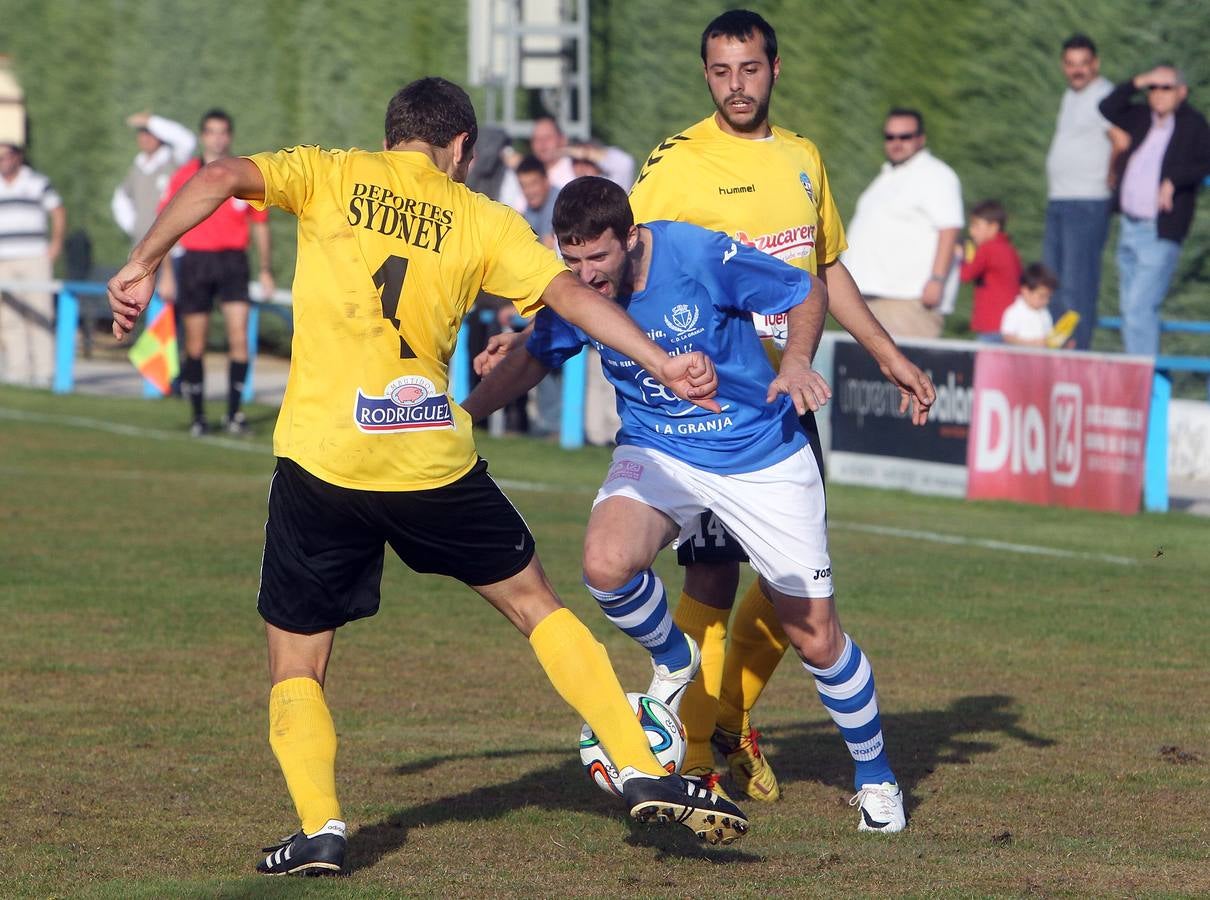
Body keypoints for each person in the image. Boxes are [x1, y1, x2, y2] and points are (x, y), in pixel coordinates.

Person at [106, 77, 748, 876]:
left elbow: (214, 177)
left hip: (322, 463)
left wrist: (140, 264)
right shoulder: (482, 217)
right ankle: (643, 766)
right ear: (463, 149)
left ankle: (321, 829)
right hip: (431, 461)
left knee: (297, 659)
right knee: (534, 606)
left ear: (392, 135)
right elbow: (572, 300)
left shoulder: (328, 173)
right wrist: (660, 359)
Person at [480, 10, 934, 829]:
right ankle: (688, 713)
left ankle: (872, 779)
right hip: (663, 441)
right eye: (721, 70)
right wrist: (463, 412)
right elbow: (553, 331)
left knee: (812, 628)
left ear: (774, 68)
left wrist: (820, 359)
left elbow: (815, 276)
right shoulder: (668, 175)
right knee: (620, 566)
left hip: (763, 425)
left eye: (750, 68)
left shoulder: (794, 165)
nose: (737, 83)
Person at [159, 109, 274, 437]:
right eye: (211, 132)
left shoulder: (244, 175)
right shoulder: (185, 176)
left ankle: (235, 413)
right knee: (196, 342)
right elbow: (167, 223)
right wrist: (166, 272)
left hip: (233, 263)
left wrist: (265, 269)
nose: (218, 137)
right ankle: (198, 416)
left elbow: (260, 225)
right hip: (196, 262)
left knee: (239, 336)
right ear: (202, 136)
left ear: (230, 136)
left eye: (223, 132)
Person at [1100, 65, 1210, 356]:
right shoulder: (1140, 118)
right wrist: (1141, 79)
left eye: (1166, 87)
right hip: (1129, 225)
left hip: (1159, 230)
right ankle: (1136, 374)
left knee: (1140, 308)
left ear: (1181, 92)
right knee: (1128, 309)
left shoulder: (1193, 125)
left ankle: (1141, 380)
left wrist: (1174, 181)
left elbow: (1204, 163)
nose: (1159, 94)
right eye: (1154, 88)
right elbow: (1107, 106)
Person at [842, 107, 964, 339]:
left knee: (904, 373)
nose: (897, 143)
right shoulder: (888, 176)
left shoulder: (935, 174)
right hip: (870, 298)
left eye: (905, 137)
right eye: (890, 137)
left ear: (921, 138)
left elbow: (949, 228)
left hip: (908, 301)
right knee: (866, 374)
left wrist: (937, 280)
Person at [1042, 34, 1122, 351]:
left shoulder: (1104, 94)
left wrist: (1112, 171)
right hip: (1060, 198)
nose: (1077, 71)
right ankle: (1058, 347)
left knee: (1077, 284)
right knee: (1053, 282)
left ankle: (1076, 352)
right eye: (1071, 64)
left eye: (1083, 64)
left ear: (1095, 64)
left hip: (1087, 201)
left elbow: (1121, 140)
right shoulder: (1071, 95)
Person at [0, 142, 65, 387]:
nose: (2, 161)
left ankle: (44, 372)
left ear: (18, 157)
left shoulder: (37, 182)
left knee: (39, 313)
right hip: (3, 259)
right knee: (9, 318)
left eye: (6, 155)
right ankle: (18, 371)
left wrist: (56, 243)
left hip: (33, 257)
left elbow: (58, 211)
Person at [111, 111, 196, 247]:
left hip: (175, 247)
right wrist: (136, 227)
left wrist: (151, 121)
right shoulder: (137, 166)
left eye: (150, 133)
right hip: (144, 247)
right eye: (142, 133)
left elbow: (188, 141)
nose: (145, 138)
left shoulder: (174, 160)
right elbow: (120, 199)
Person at [959, 200, 1023, 342]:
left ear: (993, 227)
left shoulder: (987, 249)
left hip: (991, 325)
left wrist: (959, 256)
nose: (971, 231)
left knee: (986, 364)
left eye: (976, 225)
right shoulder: (1009, 249)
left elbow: (965, 275)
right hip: (1009, 325)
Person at [1001, 263, 1060, 347]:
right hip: (1020, 358)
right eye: (1042, 296)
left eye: (1049, 297)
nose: (1046, 301)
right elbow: (1008, 338)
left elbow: (1048, 338)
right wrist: (1031, 344)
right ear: (1025, 291)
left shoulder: (1044, 313)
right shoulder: (1014, 312)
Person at [516, 153, 558, 247]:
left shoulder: (560, 204)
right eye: (523, 185)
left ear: (546, 181)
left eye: (533, 184)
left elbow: (549, 246)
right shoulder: (530, 207)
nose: (529, 191)